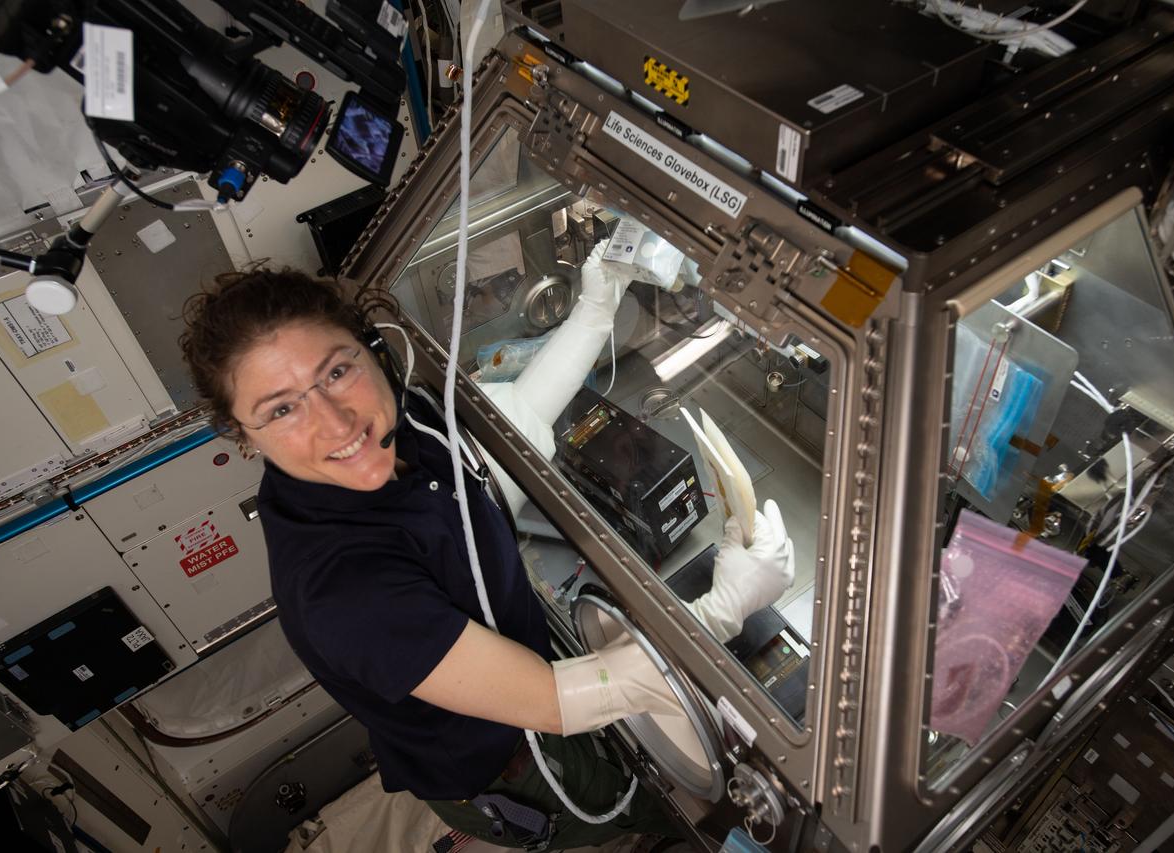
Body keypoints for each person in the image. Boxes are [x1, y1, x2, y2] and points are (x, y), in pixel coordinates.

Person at [177, 243, 794, 849]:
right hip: (521, 761)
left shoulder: (409, 424)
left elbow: (520, 414)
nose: (337, 423)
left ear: (376, 354)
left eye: (337, 372)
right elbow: (553, 703)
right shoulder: (342, 590)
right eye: (281, 409)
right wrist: (722, 609)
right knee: (681, 812)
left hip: (533, 662)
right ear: (244, 437)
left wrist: (597, 308)